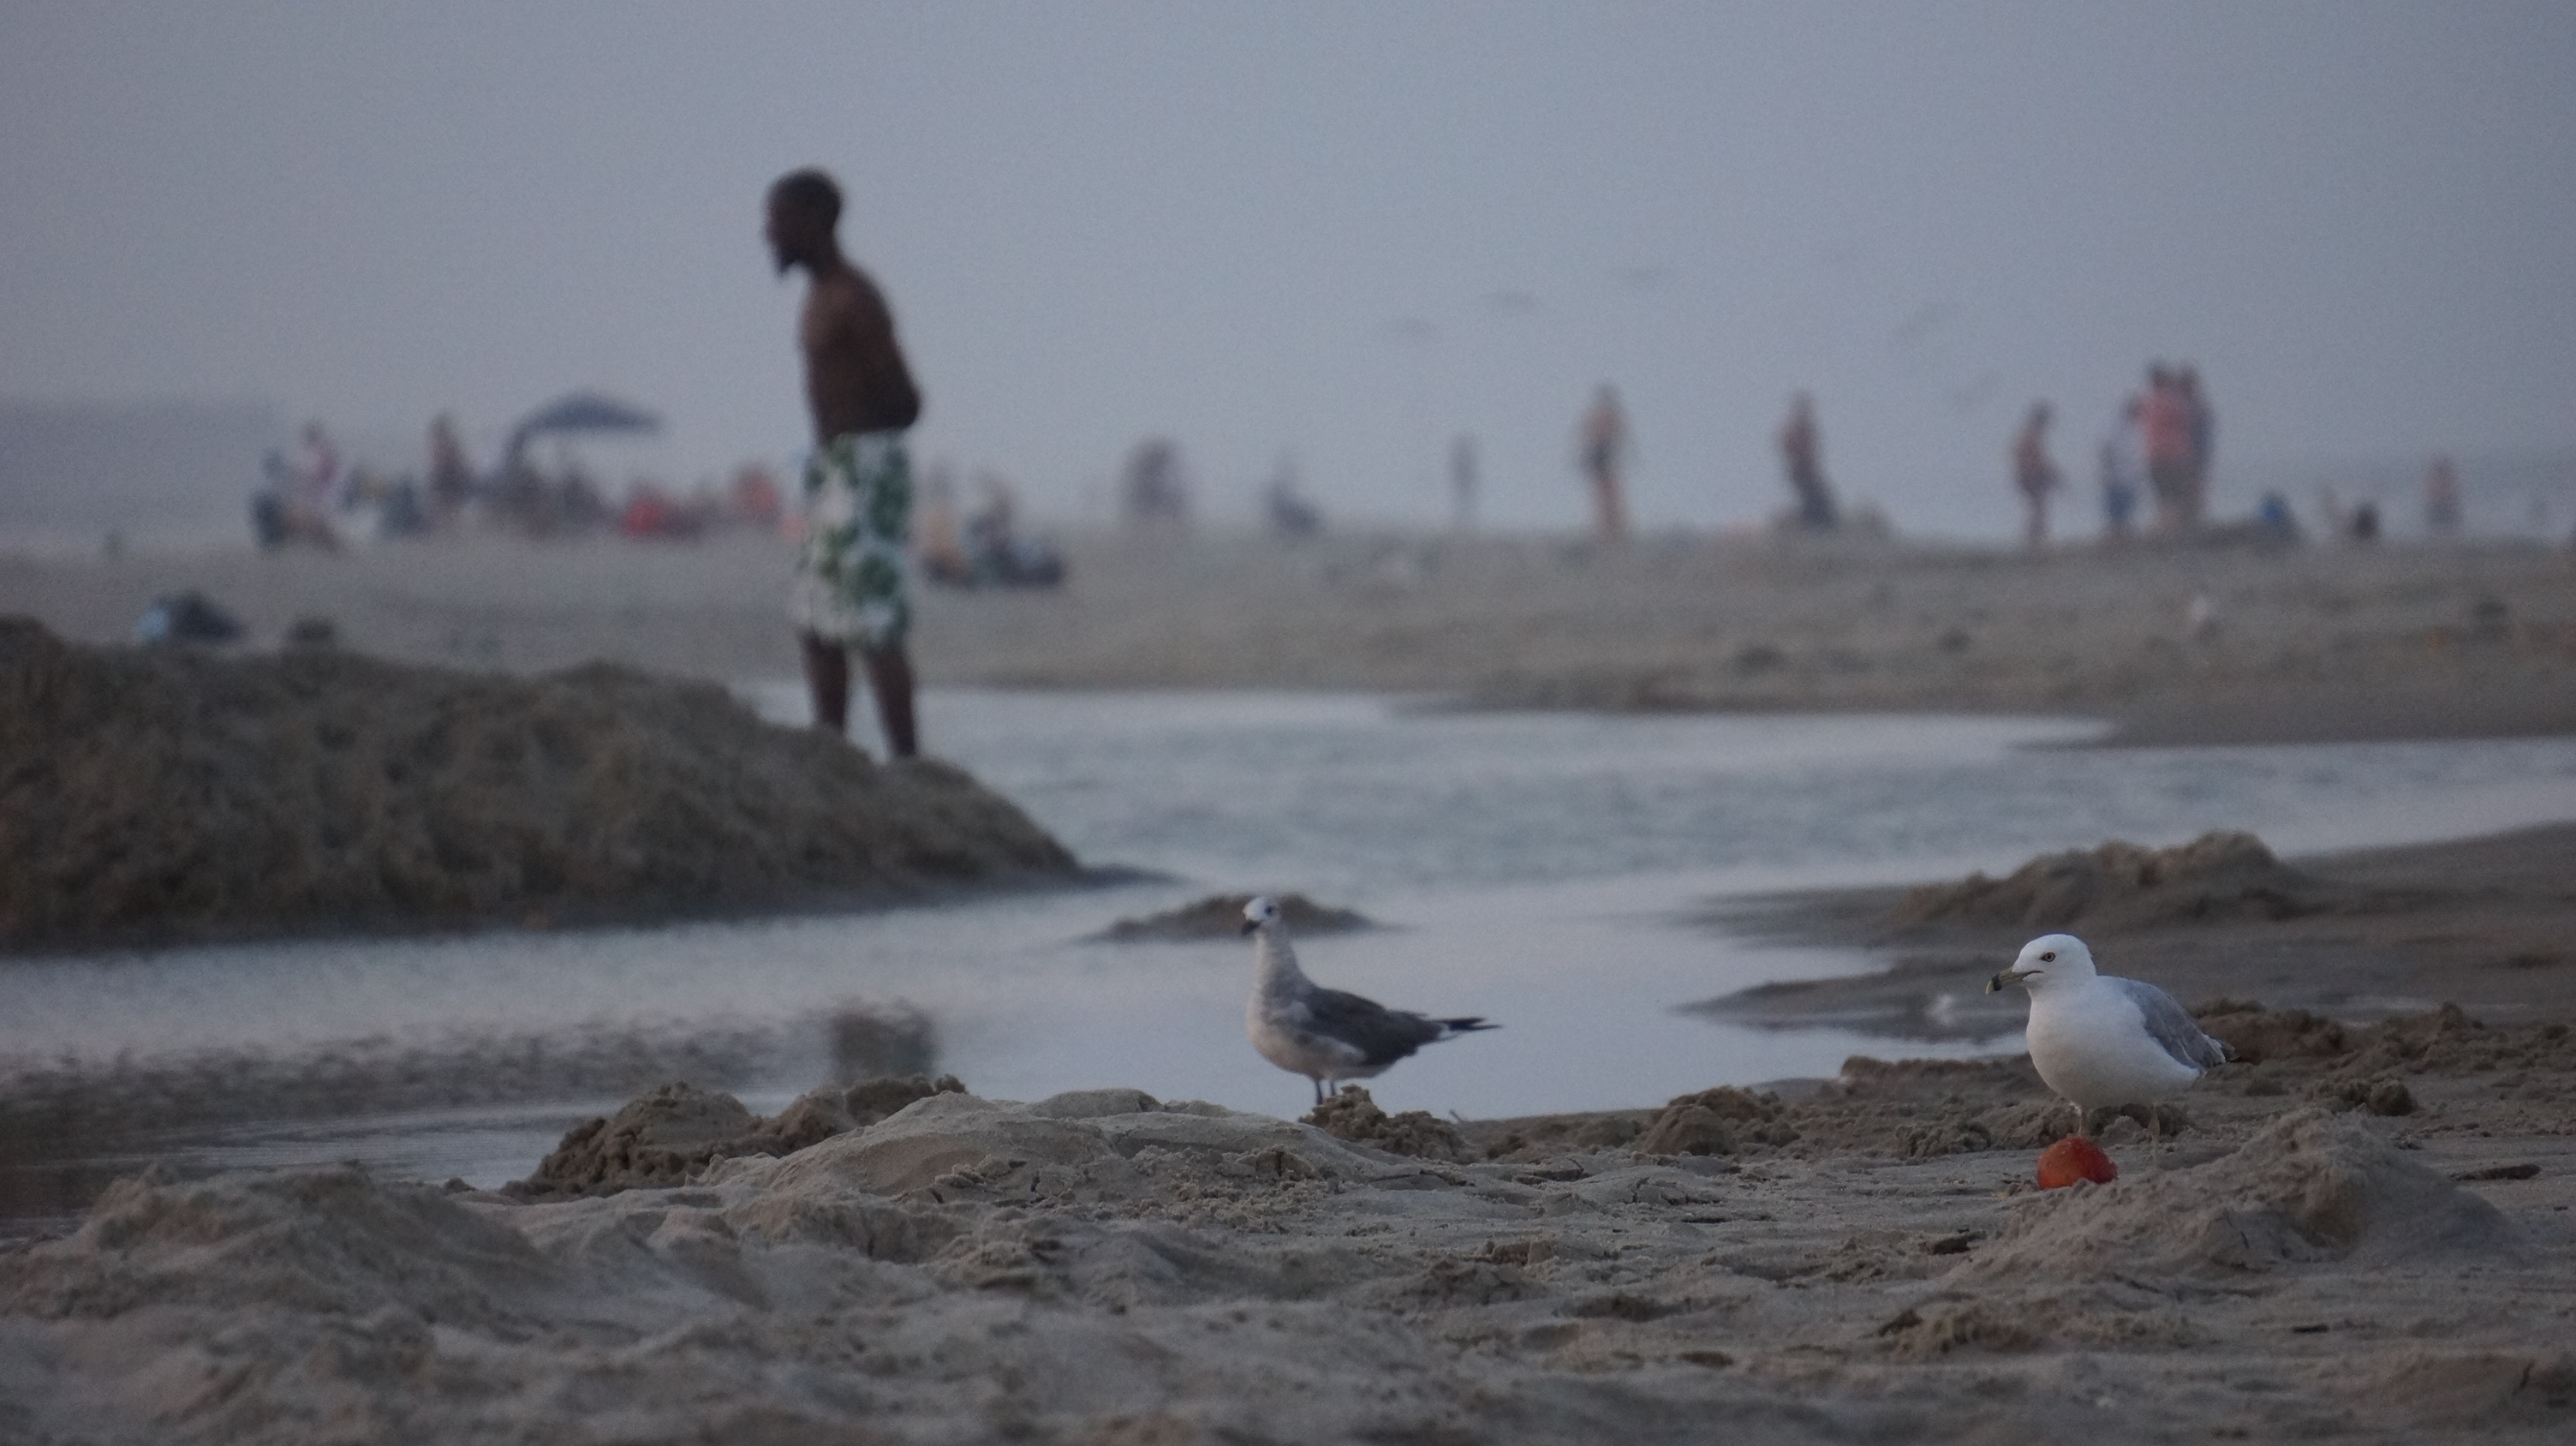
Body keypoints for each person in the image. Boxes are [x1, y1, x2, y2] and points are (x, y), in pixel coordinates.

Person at [766, 167, 924, 758]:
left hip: (866, 466)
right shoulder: (817, 299)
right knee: (817, 619)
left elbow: (907, 400)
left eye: (779, 222)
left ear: (815, 223)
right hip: (834, 467)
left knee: (873, 622)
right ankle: (830, 755)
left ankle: (907, 762)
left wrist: (862, 451)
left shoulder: (854, 298)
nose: (769, 236)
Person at [2139, 366, 2196, 535]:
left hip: (2154, 456)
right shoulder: (2172, 403)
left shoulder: (2147, 402)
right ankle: (2169, 532)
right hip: (2173, 456)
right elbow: (2186, 421)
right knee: (2175, 497)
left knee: (2163, 498)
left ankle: (2162, 530)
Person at [1778, 392, 1839, 532]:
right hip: (1802, 470)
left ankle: (1816, 527)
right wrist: (1800, 461)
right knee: (1813, 500)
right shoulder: (1796, 429)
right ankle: (1812, 528)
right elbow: (1788, 446)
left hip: (1806, 470)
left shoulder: (1804, 428)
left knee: (1817, 499)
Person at [1577, 386, 1629, 540]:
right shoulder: (1602, 417)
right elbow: (1586, 436)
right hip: (1599, 456)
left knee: (1609, 492)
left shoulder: (1606, 417)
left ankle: (1612, 527)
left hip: (1605, 456)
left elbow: (1620, 436)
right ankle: (1606, 528)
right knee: (1604, 493)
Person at [2012, 402, 2061, 549]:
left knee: (2038, 510)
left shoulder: (2031, 435)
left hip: (2032, 477)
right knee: (2038, 510)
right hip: (2031, 478)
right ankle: (2034, 542)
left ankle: (2035, 541)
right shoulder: (2031, 436)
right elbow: (2034, 460)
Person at [2097, 396, 2143, 541]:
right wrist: (2109, 473)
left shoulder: (2135, 428)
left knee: (2126, 511)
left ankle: (2122, 540)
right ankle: (2114, 541)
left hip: (2129, 478)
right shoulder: (2117, 427)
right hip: (2117, 478)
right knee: (2116, 513)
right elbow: (2106, 451)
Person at [2424, 456, 2462, 537]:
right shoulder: (2434, 479)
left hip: (2446, 506)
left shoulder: (2449, 478)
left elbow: (2454, 493)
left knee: (2449, 527)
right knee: (2436, 527)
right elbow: (2431, 494)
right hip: (2438, 506)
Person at [1449, 433, 1479, 533]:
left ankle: (1465, 523)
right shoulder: (1463, 461)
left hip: (1465, 484)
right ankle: (1463, 523)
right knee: (1463, 502)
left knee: (1465, 502)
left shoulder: (1463, 461)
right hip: (1463, 484)